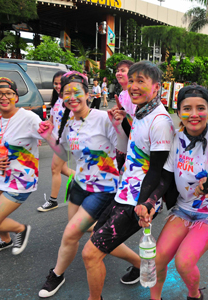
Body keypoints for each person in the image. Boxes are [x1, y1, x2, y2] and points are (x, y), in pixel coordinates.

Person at [37, 71, 140, 298]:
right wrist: (48, 138)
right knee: (87, 233)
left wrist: (117, 125)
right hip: (79, 186)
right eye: (67, 93)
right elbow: (62, 153)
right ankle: (140, 263)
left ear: (88, 94)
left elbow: (122, 146)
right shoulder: (67, 122)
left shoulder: (102, 117)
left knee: (70, 234)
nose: (72, 97)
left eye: (77, 92)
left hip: (104, 188)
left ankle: (57, 274)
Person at [81, 61, 175, 300]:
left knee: (90, 254)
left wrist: (145, 204)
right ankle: (141, 262)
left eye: (140, 81)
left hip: (136, 200)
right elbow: (128, 151)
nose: (133, 86)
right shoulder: (141, 113)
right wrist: (119, 124)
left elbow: (157, 171)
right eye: (131, 81)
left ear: (157, 87)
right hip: (124, 192)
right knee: (95, 237)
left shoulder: (160, 121)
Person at [148, 85, 208, 300]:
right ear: (178, 112)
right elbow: (165, 178)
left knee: (184, 262)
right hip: (183, 208)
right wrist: (150, 201)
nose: (194, 115)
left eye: (200, 108)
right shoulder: (174, 139)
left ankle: (195, 295)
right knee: (158, 257)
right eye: (187, 109)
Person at [0, 77, 43, 255]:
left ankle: (21, 229)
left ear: (16, 97)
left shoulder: (29, 118)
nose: (4, 97)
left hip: (20, 180)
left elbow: (51, 137)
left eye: (9, 93)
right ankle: (5, 240)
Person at [38, 71, 75, 212]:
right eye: (56, 83)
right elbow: (52, 121)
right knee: (63, 169)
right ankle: (83, 180)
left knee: (55, 169)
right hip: (56, 140)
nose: (58, 86)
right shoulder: (56, 101)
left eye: (61, 83)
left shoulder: (70, 100)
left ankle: (53, 201)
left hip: (66, 141)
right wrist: (44, 129)